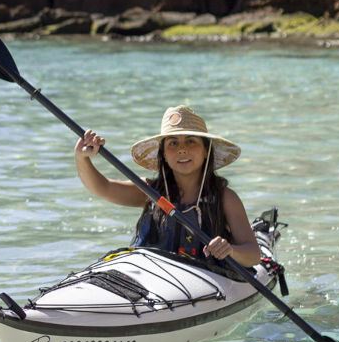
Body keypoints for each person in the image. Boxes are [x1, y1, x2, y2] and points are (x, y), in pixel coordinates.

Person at [71, 105, 261, 266]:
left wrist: (230, 250)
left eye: (191, 141)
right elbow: (101, 188)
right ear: (163, 154)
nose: (182, 149)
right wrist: (82, 157)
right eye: (172, 143)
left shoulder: (225, 197)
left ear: (206, 151)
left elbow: (253, 255)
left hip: (210, 280)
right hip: (157, 279)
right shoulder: (150, 191)